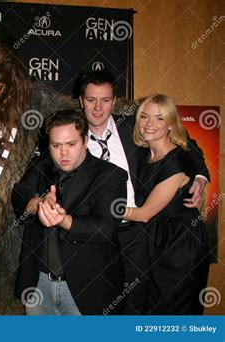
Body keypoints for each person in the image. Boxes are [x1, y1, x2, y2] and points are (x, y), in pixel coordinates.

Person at [78, 70, 210, 314]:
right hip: (95, 235)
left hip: (138, 235)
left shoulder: (130, 127)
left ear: (114, 102)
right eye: (91, 100)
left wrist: (200, 177)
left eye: (105, 100)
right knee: (98, 304)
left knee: (142, 304)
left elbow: (187, 144)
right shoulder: (72, 136)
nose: (98, 108)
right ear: (80, 101)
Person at [13, 109, 127, 315]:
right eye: (56, 146)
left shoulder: (110, 175)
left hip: (86, 289)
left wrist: (63, 220)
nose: (63, 153)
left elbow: (106, 228)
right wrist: (36, 204)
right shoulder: (42, 165)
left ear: (85, 141)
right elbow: (20, 192)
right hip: (39, 284)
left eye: (71, 144)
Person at [124, 94, 210, 314]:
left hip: (178, 245)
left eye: (159, 118)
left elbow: (144, 214)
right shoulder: (143, 152)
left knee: (174, 312)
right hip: (154, 240)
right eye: (144, 116)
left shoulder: (175, 161)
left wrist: (100, 209)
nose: (150, 124)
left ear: (171, 124)